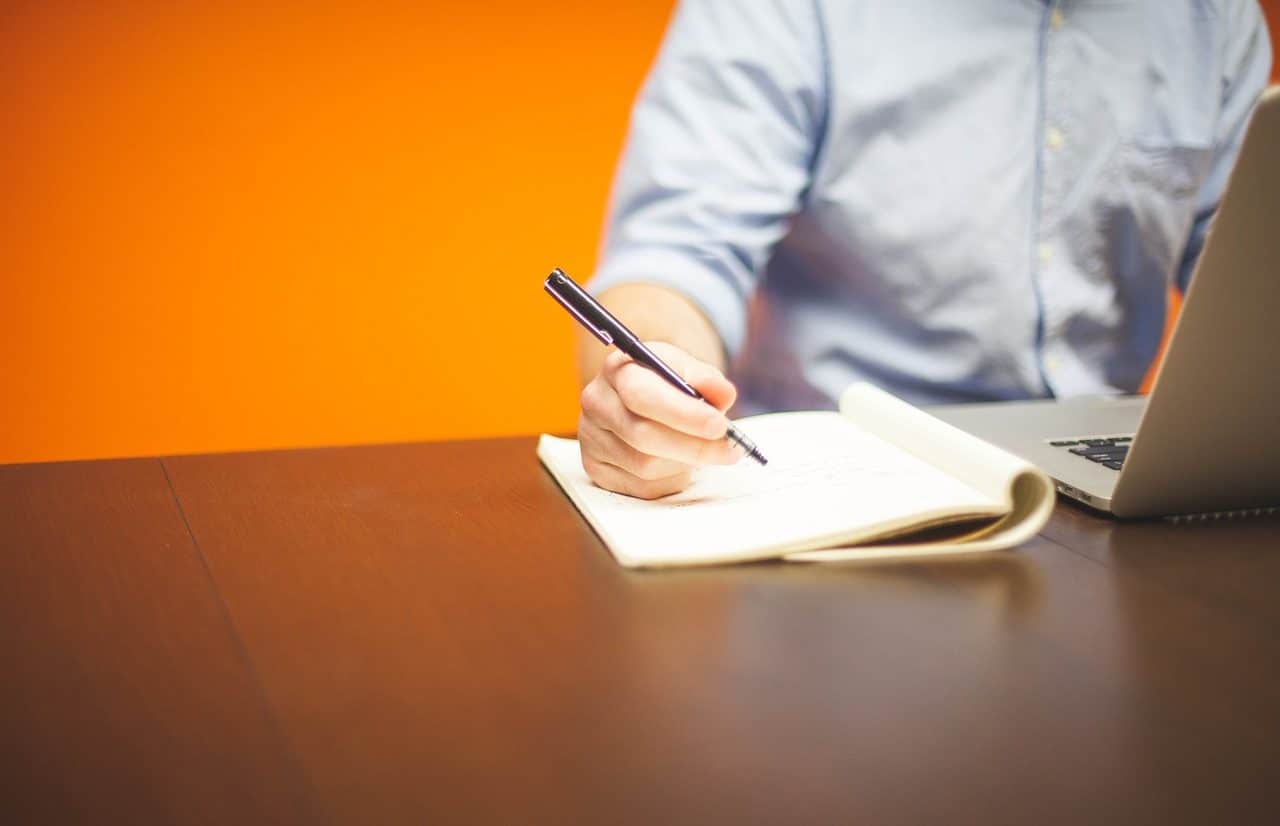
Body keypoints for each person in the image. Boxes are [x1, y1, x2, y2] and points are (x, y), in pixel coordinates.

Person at [575, 0, 1273, 499]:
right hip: (837, 483)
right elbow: (678, 250)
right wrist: (654, 382)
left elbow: (1251, 273)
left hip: (1121, 483)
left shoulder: (1216, 17)